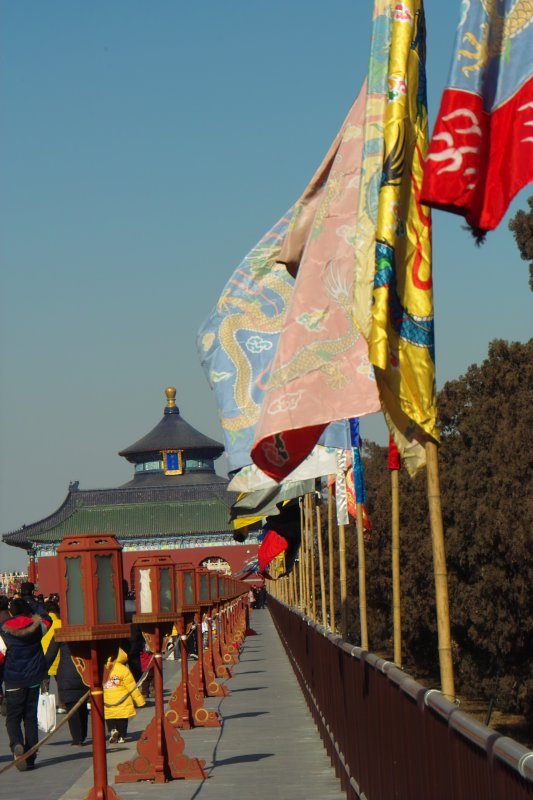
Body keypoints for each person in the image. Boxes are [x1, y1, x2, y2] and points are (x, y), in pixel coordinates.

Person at [0, 597, 52, 770]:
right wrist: (34, 604)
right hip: (34, 679)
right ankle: (31, 756)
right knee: (30, 718)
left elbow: (0, 658)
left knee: (13, 718)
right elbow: (47, 618)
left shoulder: (3, 631)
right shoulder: (37, 627)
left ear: (11, 612)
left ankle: (16, 744)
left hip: (13, 681)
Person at [45, 636, 89, 746]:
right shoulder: (85, 631)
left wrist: (41, 671)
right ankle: (82, 734)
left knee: (71, 706)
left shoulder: (60, 634)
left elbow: (50, 655)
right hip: (83, 671)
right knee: (82, 704)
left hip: (66, 673)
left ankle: (77, 738)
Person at [103, 646, 145, 743]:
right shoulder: (123, 669)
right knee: (122, 719)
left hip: (108, 700)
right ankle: (122, 737)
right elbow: (131, 686)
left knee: (109, 717)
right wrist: (140, 701)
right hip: (122, 700)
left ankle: (112, 730)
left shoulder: (104, 668)